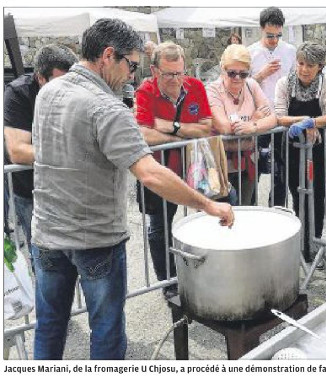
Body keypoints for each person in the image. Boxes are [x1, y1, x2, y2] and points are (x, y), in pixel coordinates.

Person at [30, 19, 233, 360]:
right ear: (109, 55)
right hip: (94, 238)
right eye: (132, 65)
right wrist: (209, 205)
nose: (133, 75)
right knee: (107, 333)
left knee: (49, 326)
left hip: (46, 235)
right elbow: (151, 174)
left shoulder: (48, 91)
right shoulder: (107, 106)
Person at [135, 41, 213, 299]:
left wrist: (172, 126)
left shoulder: (195, 86)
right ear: (155, 71)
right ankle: (167, 281)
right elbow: (144, 134)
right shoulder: (144, 91)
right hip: (157, 171)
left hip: (194, 168)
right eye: (169, 74)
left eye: (180, 72)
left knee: (209, 212)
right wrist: (178, 137)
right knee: (160, 227)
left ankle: (208, 271)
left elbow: (206, 127)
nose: (176, 79)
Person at [3, 44, 78, 256]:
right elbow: (17, 151)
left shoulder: (78, 90)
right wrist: (71, 154)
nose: (66, 89)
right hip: (31, 191)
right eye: (59, 83)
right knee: (45, 259)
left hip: (71, 190)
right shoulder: (19, 93)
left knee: (80, 258)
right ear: (40, 77)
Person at [274, 42, 326, 264]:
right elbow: (280, 117)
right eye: (301, 63)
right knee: (297, 194)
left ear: (320, 66)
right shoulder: (284, 83)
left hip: (318, 149)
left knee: (318, 196)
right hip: (292, 147)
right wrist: (303, 121)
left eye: (310, 65)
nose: (304, 69)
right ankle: (301, 246)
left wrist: (313, 121)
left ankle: (316, 243)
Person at [207, 44, 278, 205]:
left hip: (247, 162)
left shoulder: (251, 85)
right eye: (232, 73)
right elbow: (224, 127)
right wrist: (256, 118)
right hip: (220, 164)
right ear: (222, 68)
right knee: (220, 217)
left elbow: (273, 118)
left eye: (243, 74)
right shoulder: (212, 90)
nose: (237, 78)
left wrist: (252, 127)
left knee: (244, 212)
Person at [248, 7, 297, 206]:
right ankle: (249, 209)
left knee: (281, 170)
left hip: (282, 117)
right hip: (257, 119)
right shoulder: (250, 52)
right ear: (261, 29)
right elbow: (239, 85)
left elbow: (295, 81)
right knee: (253, 170)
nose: (274, 40)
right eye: (270, 36)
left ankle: (276, 209)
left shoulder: (290, 51)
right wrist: (260, 75)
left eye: (278, 35)